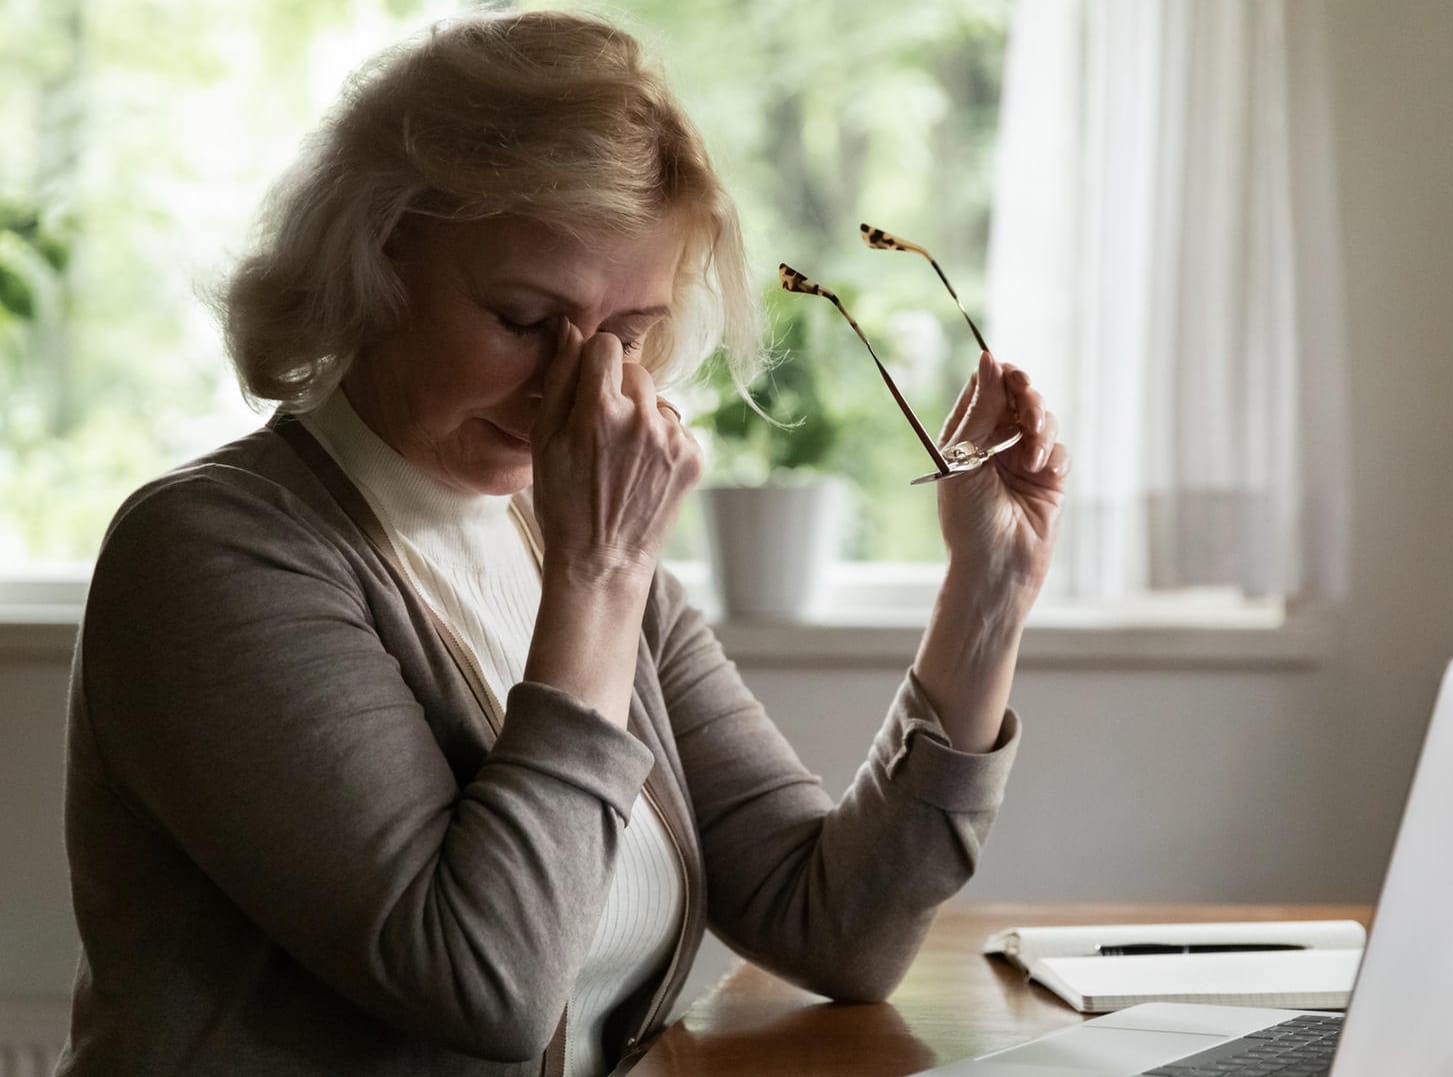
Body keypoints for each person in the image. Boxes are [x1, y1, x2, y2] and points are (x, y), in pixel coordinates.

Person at [57, 11, 1069, 1077]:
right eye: (524, 318)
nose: (573, 386)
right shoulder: (212, 553)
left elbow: (836, 927)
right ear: (377, 262)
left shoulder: (570, 541)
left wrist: (987, 591)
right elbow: (483, 985)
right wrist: (600, 573)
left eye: (628, 334)